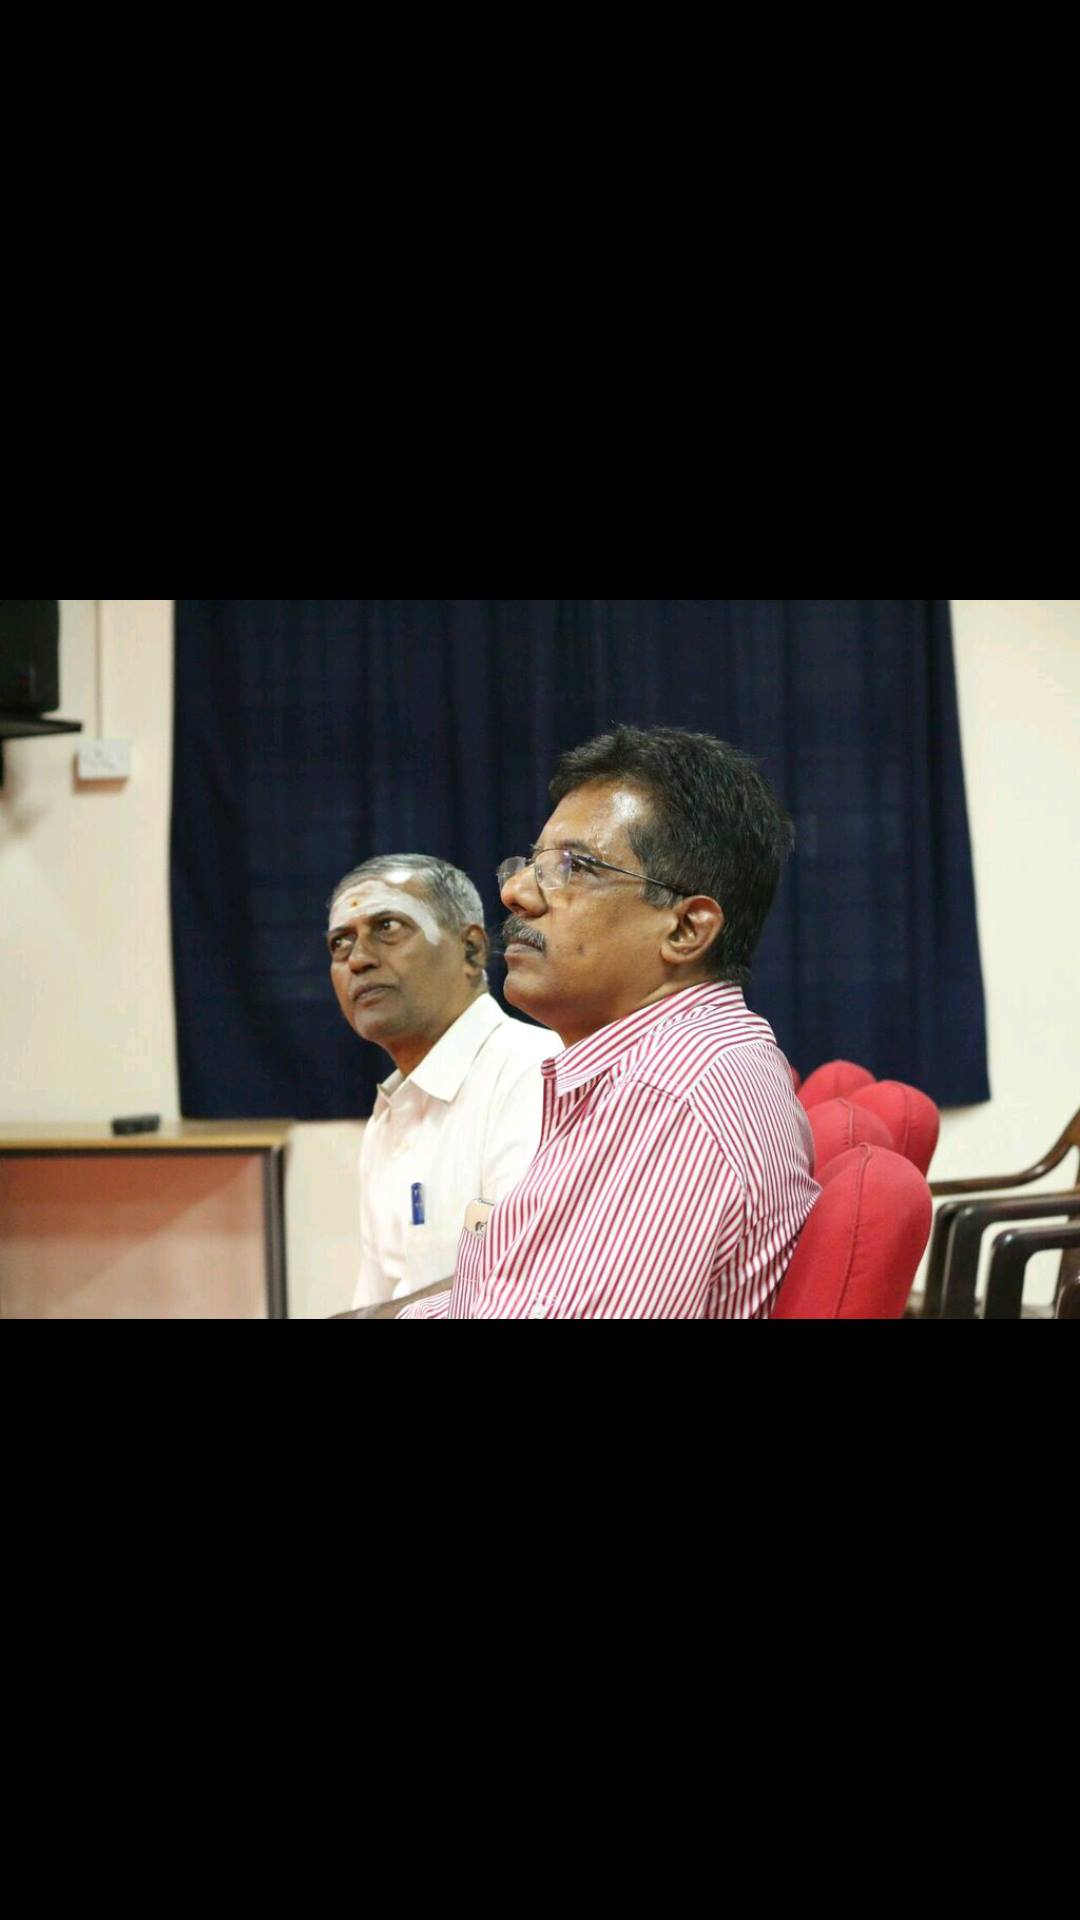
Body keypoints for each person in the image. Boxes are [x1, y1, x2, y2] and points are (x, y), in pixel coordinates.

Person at [399, 726, 818, 1319]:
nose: (517, 892)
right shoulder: (653, 1068)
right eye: (531, 864)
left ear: (685, 929)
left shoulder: (670, 1097)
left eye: (574, 866)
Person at [327, 854, 556, 1315]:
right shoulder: (388, 1115)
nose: (358, 960)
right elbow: (379, 1298)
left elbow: (529, 1281)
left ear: (471, 951)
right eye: (340, 943)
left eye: (387, 927)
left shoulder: (534, 1070)